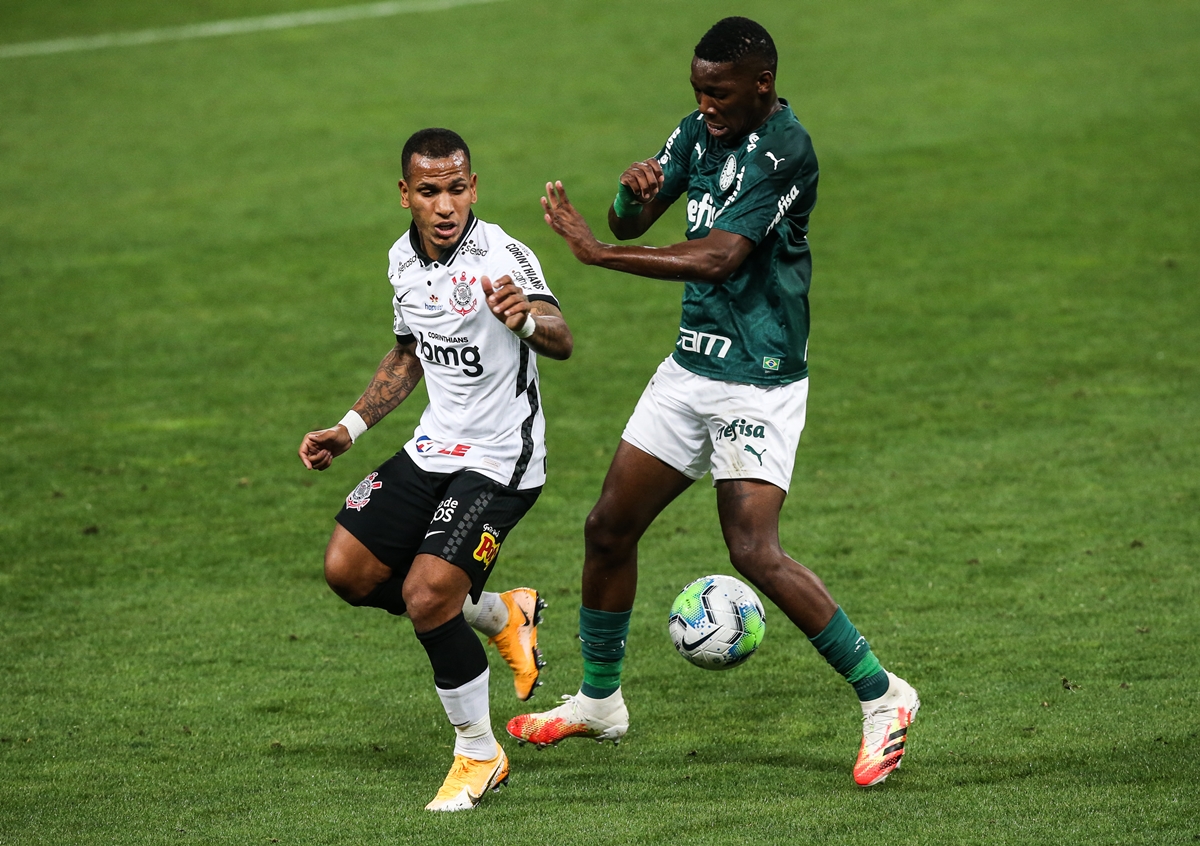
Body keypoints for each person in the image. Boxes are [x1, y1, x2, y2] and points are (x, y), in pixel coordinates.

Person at [506, 17, 919, 787]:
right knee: (608, 528)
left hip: (758, 378)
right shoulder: (699, 130)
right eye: (698, 91)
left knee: (753, 549)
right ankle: (600, 701)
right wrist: (628, 198)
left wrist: (601, 253)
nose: (705, 106)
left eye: (719, 92)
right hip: (691, 367)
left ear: (762, 83)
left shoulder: (785, 150)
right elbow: (638, 216)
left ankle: (884, 695)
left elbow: (723, 257)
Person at [298, 127, 574, 810]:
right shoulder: (401, 259)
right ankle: (502, 613)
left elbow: (561, 335)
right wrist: (348, 427)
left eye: (456, 189)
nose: (445, 205)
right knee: (348, 571)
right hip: (433, 448)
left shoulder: (502, 254)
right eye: (429, 191)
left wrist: (526, 322)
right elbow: (408, 353)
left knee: (426, 596)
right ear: (406, 195)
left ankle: (479, 753)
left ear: (473, 188)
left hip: (502, 459)